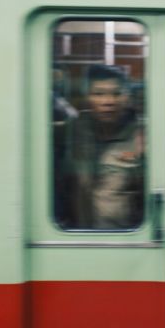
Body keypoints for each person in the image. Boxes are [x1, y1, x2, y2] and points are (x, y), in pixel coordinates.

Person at [63, 64, 145, 229]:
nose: (108, 102)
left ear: (127, 97)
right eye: (98, 94)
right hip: (76, 235)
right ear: (87, 97)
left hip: (126, 238)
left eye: (117, 94)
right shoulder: (73, 130)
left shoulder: (141, 135)